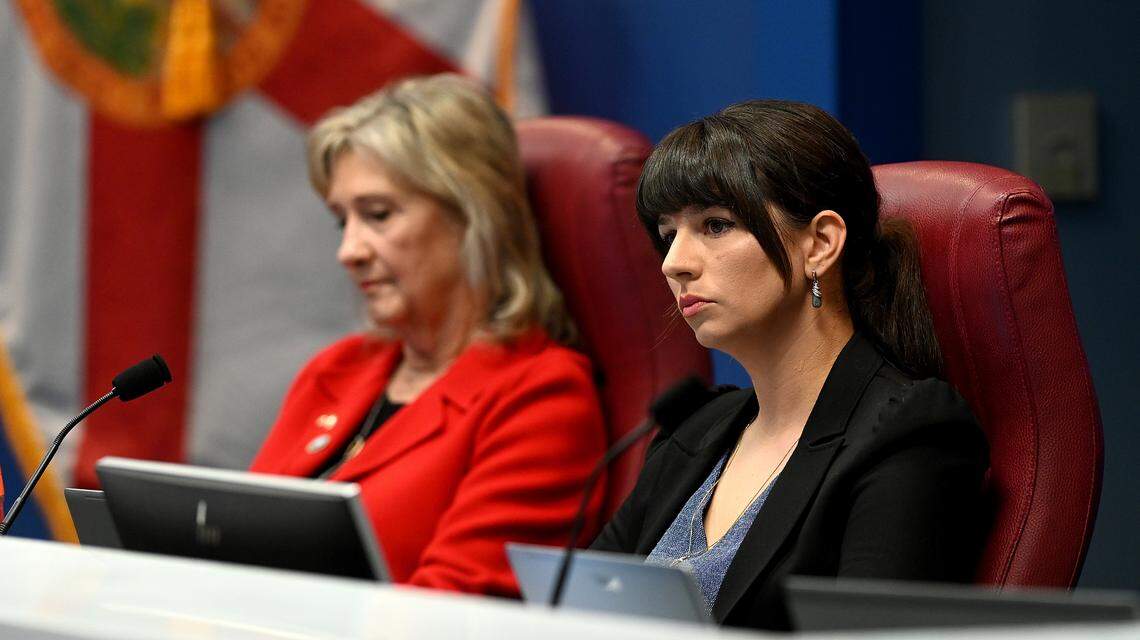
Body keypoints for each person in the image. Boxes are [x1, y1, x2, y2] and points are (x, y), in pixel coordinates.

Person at [591, 100, 989, 629]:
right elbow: (577, 613)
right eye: (668, 235)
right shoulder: (694, 429)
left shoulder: (910, 433)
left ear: (820, 244)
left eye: (715, 225)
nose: (675, 263)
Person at [250, 74, 607, 596]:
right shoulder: (337, 369)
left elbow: (451, 614)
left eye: (377, 215)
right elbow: (228, 541)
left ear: (472, 215)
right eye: (341, 222)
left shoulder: (541, 397)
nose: (349, 251)